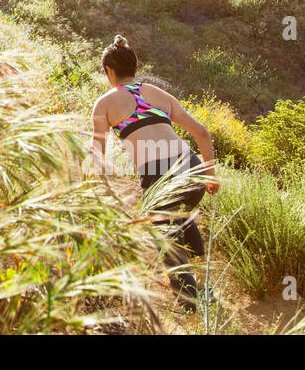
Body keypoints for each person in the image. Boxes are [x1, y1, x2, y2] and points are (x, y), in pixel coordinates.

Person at [89, 34, 220, 311]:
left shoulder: (104, 103)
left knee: (166, 237)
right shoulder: (157, 93)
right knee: (178, 216)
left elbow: (96, 156)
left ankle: (191, 304)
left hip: (161, 176)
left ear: (108, 71)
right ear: (135, 69)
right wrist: (211, 173)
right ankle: (200, 273)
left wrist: (102, 192)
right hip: (192, 167)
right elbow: (203, 133)